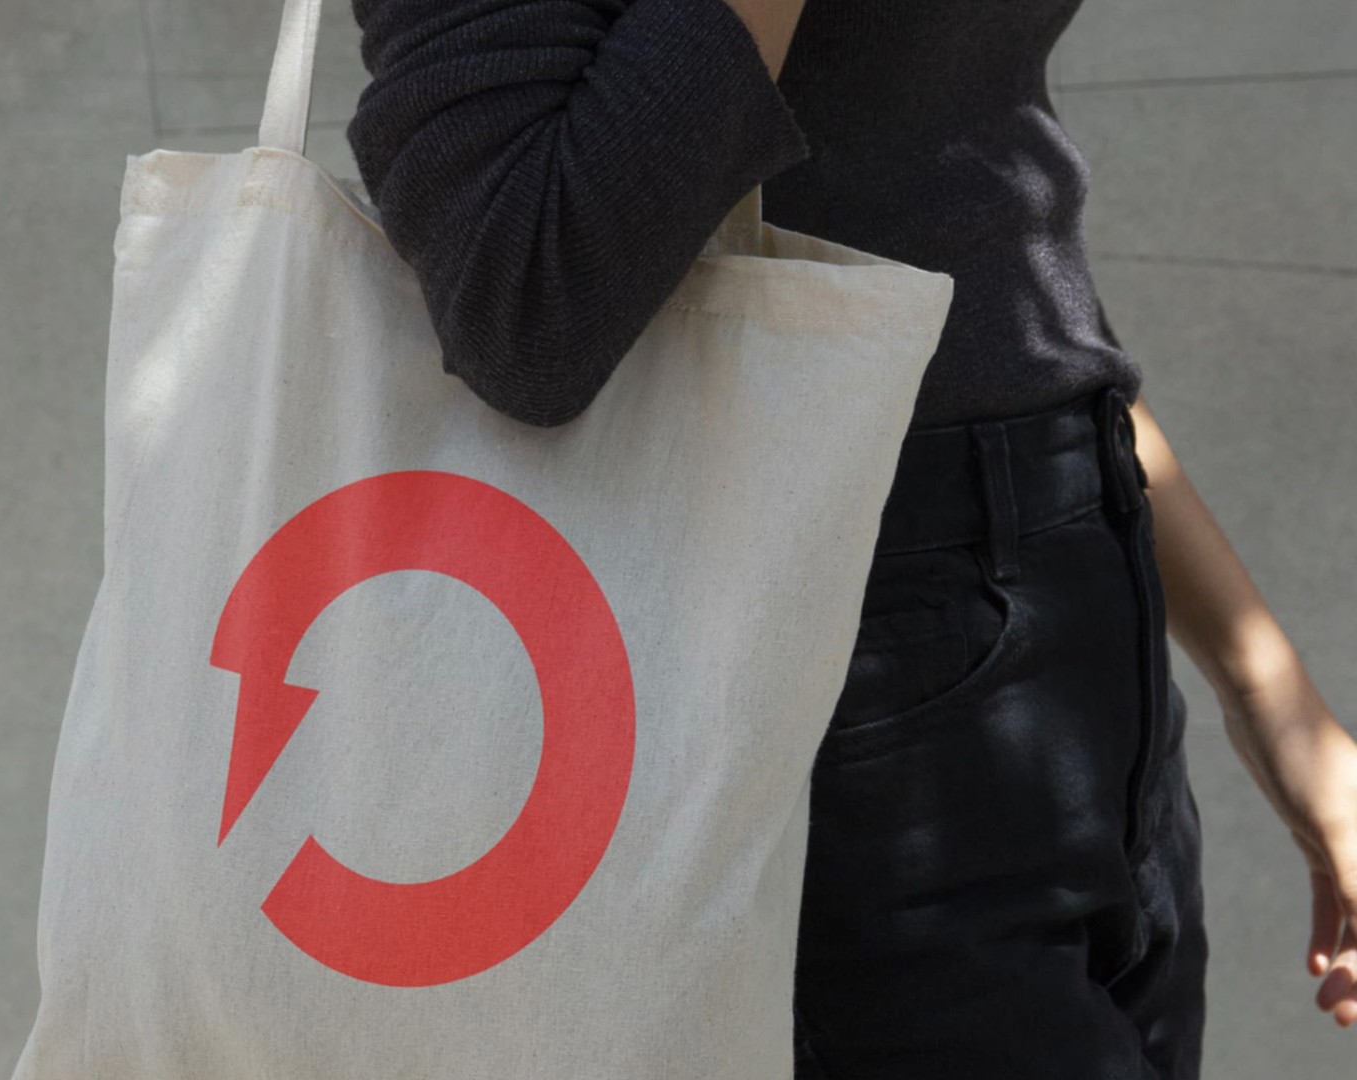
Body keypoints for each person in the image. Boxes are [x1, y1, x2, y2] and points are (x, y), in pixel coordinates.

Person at [344, 1, 1357, 1076]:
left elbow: (986, 256)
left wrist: (1268, 696)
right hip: (843, 695)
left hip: (1084, 656)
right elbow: (524, 301)